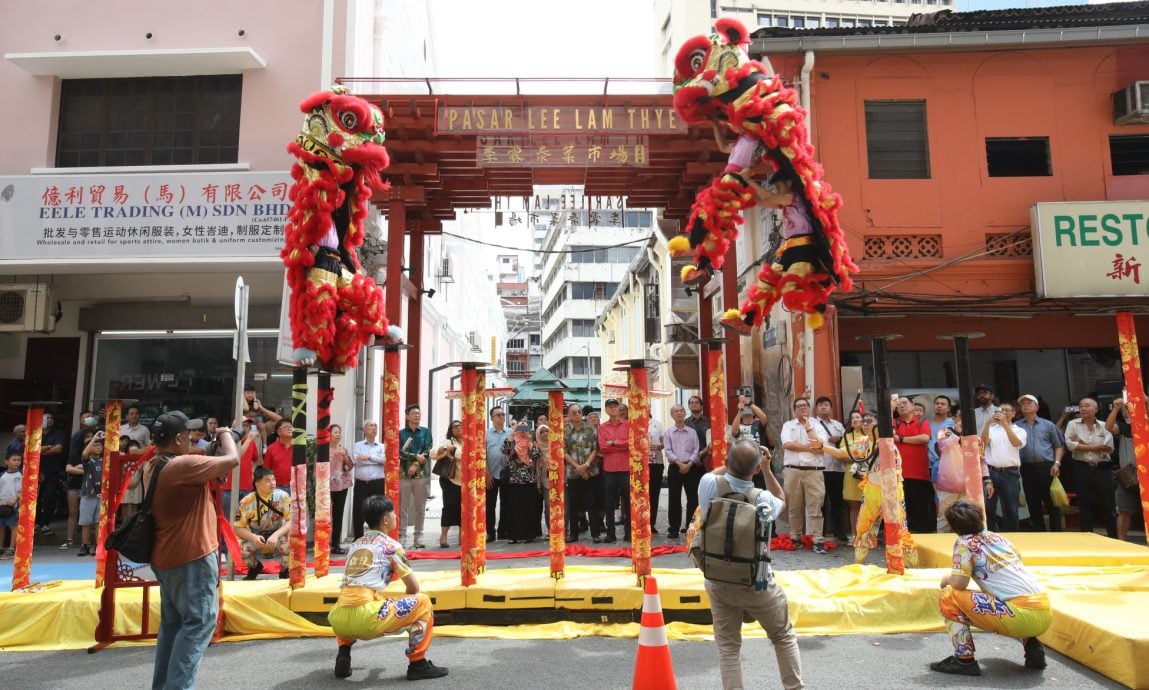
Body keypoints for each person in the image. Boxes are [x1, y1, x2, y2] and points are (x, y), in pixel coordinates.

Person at [694, 439, 803, 689]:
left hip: (717, 578)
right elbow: (782, 498)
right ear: (755, 469)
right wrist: (766, 468)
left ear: (726, 462)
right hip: (756, 582)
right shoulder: (763, 498)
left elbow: (719, 471)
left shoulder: (708, 484)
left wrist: (734, 460)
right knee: (783, 636)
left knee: (728, 646)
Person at [143, 411, 239, 690]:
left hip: (167, 557)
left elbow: (199, 464)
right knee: (199, 623)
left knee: (173, 627)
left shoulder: (154, 464)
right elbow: (232, 460)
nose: (193, 438)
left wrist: (210, 447)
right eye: (188, 435)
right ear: (177, 439)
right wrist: (226, 435)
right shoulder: (181, 466)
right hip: (191, 557)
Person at [327, 495, 448, 681]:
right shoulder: (392, 546)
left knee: (356, 600)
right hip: (367, 619)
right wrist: (405, 610)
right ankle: (418, 663)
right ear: (385, 519)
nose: (395, 516)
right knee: (423, 602)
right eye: (393, 513)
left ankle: (344, 651)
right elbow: (413, 587)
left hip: (338, 620)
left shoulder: (355, 545)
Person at [932, 500, 1052, 676]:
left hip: (1019, 616)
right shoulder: (999, 538)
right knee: (1003, 597)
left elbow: (959, 583)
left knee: (949, 595)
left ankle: (964, 660)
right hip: (1044, 611)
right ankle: (1031, 643)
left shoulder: (964, 543)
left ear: (953, 526)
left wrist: (946, 579)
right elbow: (1018, 561)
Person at [780, 398, 830, 553]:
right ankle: (795, 538)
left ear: (809, 408)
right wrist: (809, 448)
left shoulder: (818, 425)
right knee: (794, 507)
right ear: (794, 410)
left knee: (815, 506)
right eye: (798, 406)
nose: (802, 408)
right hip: (792, 470)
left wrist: (809, 429)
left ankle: (817, 540)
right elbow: (787, 444)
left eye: (805, 406)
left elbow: (820, 446)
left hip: (813, 471)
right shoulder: (788, 425)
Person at [1063, 398, 1117, 538]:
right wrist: (1094, 447)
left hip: (1103, 468)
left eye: (1087, 406)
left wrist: (1083, 444)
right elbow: (1070, 445)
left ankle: (1113, 537)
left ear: (1096, 409)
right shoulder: (1072, 424)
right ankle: (1087, 538)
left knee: (1109, 505)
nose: (1083, 408)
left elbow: (1108, 448)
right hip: (1081, 468)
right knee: (1084, 505)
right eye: (1081, 406)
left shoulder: (1105, 425)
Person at [822, 411, 874, 546]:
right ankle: (855, 535)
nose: (855, 420)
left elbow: (870, 454)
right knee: (854, 505)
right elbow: (841, 456)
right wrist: (859, 457)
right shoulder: (847, 436)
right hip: (852, 474)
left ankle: (868, 535)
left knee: (870, 505)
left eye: (858, 417)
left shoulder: (870, 436)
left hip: (869, 474)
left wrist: (856, 456)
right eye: (852, 418)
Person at [232, 467, 291, 580]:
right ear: (257, 484)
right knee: (236, 546)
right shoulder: (246, 502)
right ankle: (254, 567)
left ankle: (285, 570)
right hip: (257, 536)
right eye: (267, 480)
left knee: (295, 540)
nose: (272, 483)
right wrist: (253, 537)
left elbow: (291, 521)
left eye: (273, 479)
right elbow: (238, 527)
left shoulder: (283, 496)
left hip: (278, 535)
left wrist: (275, 535)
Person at [1017, 394, 1065, 532]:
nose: (1025, 405)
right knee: (1033, 503)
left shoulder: (1048, 425)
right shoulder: (1016, 426)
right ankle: (1039, 533)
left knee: (1052, 502)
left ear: (1037, 407)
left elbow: (1058, 446)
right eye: (1023, 403)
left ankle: (1056, 534)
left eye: (1029, 403)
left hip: (1046, 467)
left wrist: (1057, 463)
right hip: (1026, 468)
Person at [980, 402, 1026, 532]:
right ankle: (991, 535)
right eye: (1001, 411)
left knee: (1011, 508)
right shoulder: (992, 428)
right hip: (991, 472)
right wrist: (987, 425)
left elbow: (1016, 443)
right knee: (988, 507)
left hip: (1010, 473)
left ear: (1013, 413)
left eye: (1006, 410)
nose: (1003, 413)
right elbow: (982, 444)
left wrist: (1005, 425)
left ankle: (1013, 535)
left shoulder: (1019, 430)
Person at [893, 396, 934, 534]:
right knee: (903, 508)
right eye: (898, 404)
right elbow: (890, 436)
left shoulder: (922, 421)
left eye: (904, 403)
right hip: (898, 473)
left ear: (913, 406)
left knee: (921, 506)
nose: (901, 406)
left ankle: (924, 534)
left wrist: (901, 439)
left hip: (919, 472)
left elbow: (924, 438)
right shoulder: (894, 422)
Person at [663, 403, 701, 541]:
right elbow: (668, 451)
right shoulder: (668, 433)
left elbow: (696, 449)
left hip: (691, 467)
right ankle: (674, 528)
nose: (679, 413)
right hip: (675, 467)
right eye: (676, 411)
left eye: (681, 411)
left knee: (693, 498)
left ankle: (691, 527)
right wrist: (680, 464)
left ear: (685, 413)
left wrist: (689, 464)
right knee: (674, 499)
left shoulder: (692, 432)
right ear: (672, 415)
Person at [61, 412, 99, 550]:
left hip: (90, 488)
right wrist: (85, 470)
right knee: (73, 512)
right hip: (75, 484)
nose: (89, 439)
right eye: (87, 437)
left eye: (91, 437)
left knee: (93, 516)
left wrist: (82, 469)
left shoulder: (95, 455)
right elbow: (68, 468)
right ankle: (69, 539)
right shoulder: (75, 453)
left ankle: (93, 542)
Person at [564, 403, 601, 543]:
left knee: (593, 503)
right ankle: (573, 534)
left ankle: (595, 534)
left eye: (579, 412)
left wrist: (586, 465)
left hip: (590, 471)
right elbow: (563, 451)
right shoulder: (565, 431)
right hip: (573, 472)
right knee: (573, 504)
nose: (577, 414)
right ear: (569, 415)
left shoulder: (590, 429)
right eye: (574, 412)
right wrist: (577, 467)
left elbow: (595, 449)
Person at [812, 397, 846, 544]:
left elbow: (847, 441)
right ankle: (822, 531)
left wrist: (840, 438)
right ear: (816, 408)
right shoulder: (812, 424)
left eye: (826, 405)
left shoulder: (838, 425)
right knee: (821, 501)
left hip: (838, 467)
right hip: (821, 467)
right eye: (820, 405)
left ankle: (840, 531)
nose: (823, 407)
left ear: (831, 408)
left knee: (838, 501)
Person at [398, 404, 433, 549]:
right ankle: (402, 535)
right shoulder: (401, 433)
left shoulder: (426, 432)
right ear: (407, 416)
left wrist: (416, 464)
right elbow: (398, 451)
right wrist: (414, 457)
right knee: (402, 507)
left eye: (419, 413)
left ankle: (419, 535)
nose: (417, 415)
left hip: (421, 475)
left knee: (420, 507)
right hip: (404, 474)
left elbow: (428, 450)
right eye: (414, 413)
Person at [501, 422, 541, 544]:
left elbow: (536, 454)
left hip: (529, 481)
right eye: (520, 428)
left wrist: (529, 439)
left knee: (528, 508)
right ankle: (513, 535)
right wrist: (513, 434)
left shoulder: (531, 442)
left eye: (525, 428)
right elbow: (504, 450)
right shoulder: (512, 441)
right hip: (514, 481)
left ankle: (529, 535)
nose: (522, 431)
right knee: (514, 509)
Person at [597, 399, 630, 543]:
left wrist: (614, 443)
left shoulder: (628, 425)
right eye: (610, 407)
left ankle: (629, 532)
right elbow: (603, 447)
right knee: (609, 502)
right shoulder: (602, 427)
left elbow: (631, 443)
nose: (613, 409)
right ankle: (610, 533)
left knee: (628, 502)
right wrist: (621, 446)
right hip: (609, 469)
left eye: (615, 406)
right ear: (606, 410)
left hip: (625, 467)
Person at [1105, 399, 1138, 542]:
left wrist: (1144, 399)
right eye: (1126, 407)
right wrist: (1116, 409)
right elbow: (1108, 427)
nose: (1127, 409)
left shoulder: (1145, 423)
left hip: (1146, 474)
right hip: (1128, 475)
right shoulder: (1124, 427)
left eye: (1128, 406)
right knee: (1124, 511)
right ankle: (1121, 541)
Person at [351, 420, 386, 540]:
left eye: (375, 426)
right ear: (364, 430)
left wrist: (369, 457)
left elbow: (384, 460)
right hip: (362, 484)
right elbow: (357, 461)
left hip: (378, 483)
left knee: (378, 511)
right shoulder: (357, 445)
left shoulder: (382, 446)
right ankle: (358, 538)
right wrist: (376, 459)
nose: (374, 428)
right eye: (371, 426)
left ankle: (378, 538)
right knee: (358, 511)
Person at [35, 412, 68, 535]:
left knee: (49, 497)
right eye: (47, 418)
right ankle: (36, 523)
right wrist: (49, 447)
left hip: (52, 470)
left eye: (51, 418)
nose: (50, 420)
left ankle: (45, 523)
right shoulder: (36, 433)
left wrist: (40, 451)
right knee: (35, 498)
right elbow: (30, 449)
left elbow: (58, 448)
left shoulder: (58, 433)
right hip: (36, 470)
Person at [74, 432, 105, 557]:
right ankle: (84, 545)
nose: (98, 447)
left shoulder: (105, 461)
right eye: (95, 445)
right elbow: (84, 454)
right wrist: (93, 439)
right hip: (88, 493)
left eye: (100, 445)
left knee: (98, 522)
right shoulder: (88, 461)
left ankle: (98, 545)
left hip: (101, 494)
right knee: (86, 522)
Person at [432, 420, 463, 548]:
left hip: (466, 481)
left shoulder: (469, 440)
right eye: (455, 426)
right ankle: (443, 536)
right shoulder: (448, 441)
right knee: (449, 507)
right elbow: (433, 453)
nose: (459, 428)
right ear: (451, 429)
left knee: (464, 509)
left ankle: (462, 536)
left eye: (461, 426)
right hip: (450, 480)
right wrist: (446, 449)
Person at [485, 408, 511, 542]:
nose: (501, 417)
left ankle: (503, 531)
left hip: (506, 473)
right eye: (498, 415)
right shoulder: (486, 434)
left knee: (506, 504)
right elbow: (481, 454)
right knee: (489, 505)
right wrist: (486, 473)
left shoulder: (511, 432)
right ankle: (490, 532)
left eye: (503, 414)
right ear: (492, 418)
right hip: (490, 474)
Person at [328, 424, 354, 555]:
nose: (338, 434)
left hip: (341, 485)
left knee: (338, 515)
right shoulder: (323, 449)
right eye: (335, 432)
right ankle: (323, 542)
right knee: (325, 514)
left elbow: (350, 466)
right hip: (326, 486)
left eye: (339, 432)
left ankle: (336, 544)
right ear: (329, 434)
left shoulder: (343, 449)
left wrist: (344, 458)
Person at [927, 396, 955, 484]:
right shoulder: (926, 423)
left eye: (943, 404)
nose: (939, 406)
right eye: (937, 404)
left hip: (947, 463)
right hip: (929, 464)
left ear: (948, 408)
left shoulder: (953, 423)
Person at [0, 451, 23, 560]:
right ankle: (1, 548)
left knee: (13, 527)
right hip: (2, 506)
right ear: (6, 462)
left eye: (19, 460)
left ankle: (11, 549)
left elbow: (25, 490)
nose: (17, 462)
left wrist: (16, 498)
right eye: (14, 460)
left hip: (14, 506)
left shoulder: (21, 475)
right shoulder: (2, 475)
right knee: (1, 527)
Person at [263, 419, 294, 491]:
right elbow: (266, 469)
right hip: (277, 487)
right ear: (279, 432)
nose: (289, 429)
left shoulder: (299, 447)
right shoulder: (271, 448)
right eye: (286, 427)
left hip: (295, 486)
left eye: (291, 427)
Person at [647, 410, 665, 535]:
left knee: (654, 494)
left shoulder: (657, 424)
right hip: (638, 463)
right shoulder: (631, 423)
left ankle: (651, 522)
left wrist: (659, 446)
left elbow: (664, 442)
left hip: (656, 462)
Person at [684, 395, 712, 471]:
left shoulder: (709, 422)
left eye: (696, 402)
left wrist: (702, 452)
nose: (694, 404)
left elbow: (712, 440)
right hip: (689, 460)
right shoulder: (685, 423)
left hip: (706, 458)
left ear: (701, 406)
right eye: (692, 403)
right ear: (689, 406)